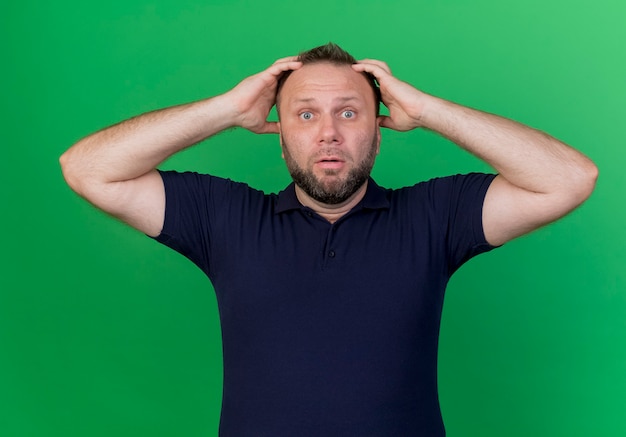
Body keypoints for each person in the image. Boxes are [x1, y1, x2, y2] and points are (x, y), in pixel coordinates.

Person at [60, 43, 597, 436]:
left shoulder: (435, 216)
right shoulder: (226, 217)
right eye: (305, 114)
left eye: (348, 111)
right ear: (280, 131)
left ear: (379, 127)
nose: (328, 133)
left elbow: (570, 179)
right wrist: (226, 109)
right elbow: (87, 168)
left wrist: (430, 111)